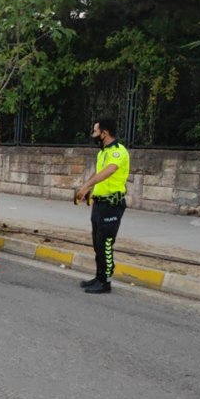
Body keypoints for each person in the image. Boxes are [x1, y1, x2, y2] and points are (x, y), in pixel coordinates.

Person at [76, 118, 130, 294]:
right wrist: (88, 191)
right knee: (97, 243)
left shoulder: (118, 151)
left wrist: (86, 185)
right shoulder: (102, 153)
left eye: (95, 132)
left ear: (104, 133)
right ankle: (99, 277)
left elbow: (109, 171)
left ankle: (106, 282)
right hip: (99, 204)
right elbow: (99, 176)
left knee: (105, 244)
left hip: (112, 205)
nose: (93, 135)